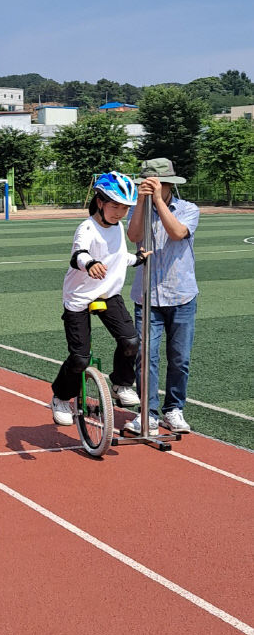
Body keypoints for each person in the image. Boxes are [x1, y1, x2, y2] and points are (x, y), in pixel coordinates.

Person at [50, 172, 149, 426]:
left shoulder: (117, 227)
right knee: (80, 358)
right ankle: (61, 396)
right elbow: (78, 254)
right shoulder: (86, 228)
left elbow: (118, 255)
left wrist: (137, 259)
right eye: (114, 205)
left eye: (125, 207)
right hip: (79, 298)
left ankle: (121, 384)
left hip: (108, 293)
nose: (119, 212)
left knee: (130, 341)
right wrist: (90, 263)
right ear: (100, 201)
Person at [124, 158, 200, 434]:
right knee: (146, 356)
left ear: (169, 185)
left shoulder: (188, 209)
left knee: (179, 357)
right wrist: (144, 203)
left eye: (157, 184)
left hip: (181, 294)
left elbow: (178, 233)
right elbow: (133, 236)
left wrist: (158, 201)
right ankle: (149, 413)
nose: (151, 187)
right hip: (147, 296)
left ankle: (174, 409)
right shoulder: (139, 209)